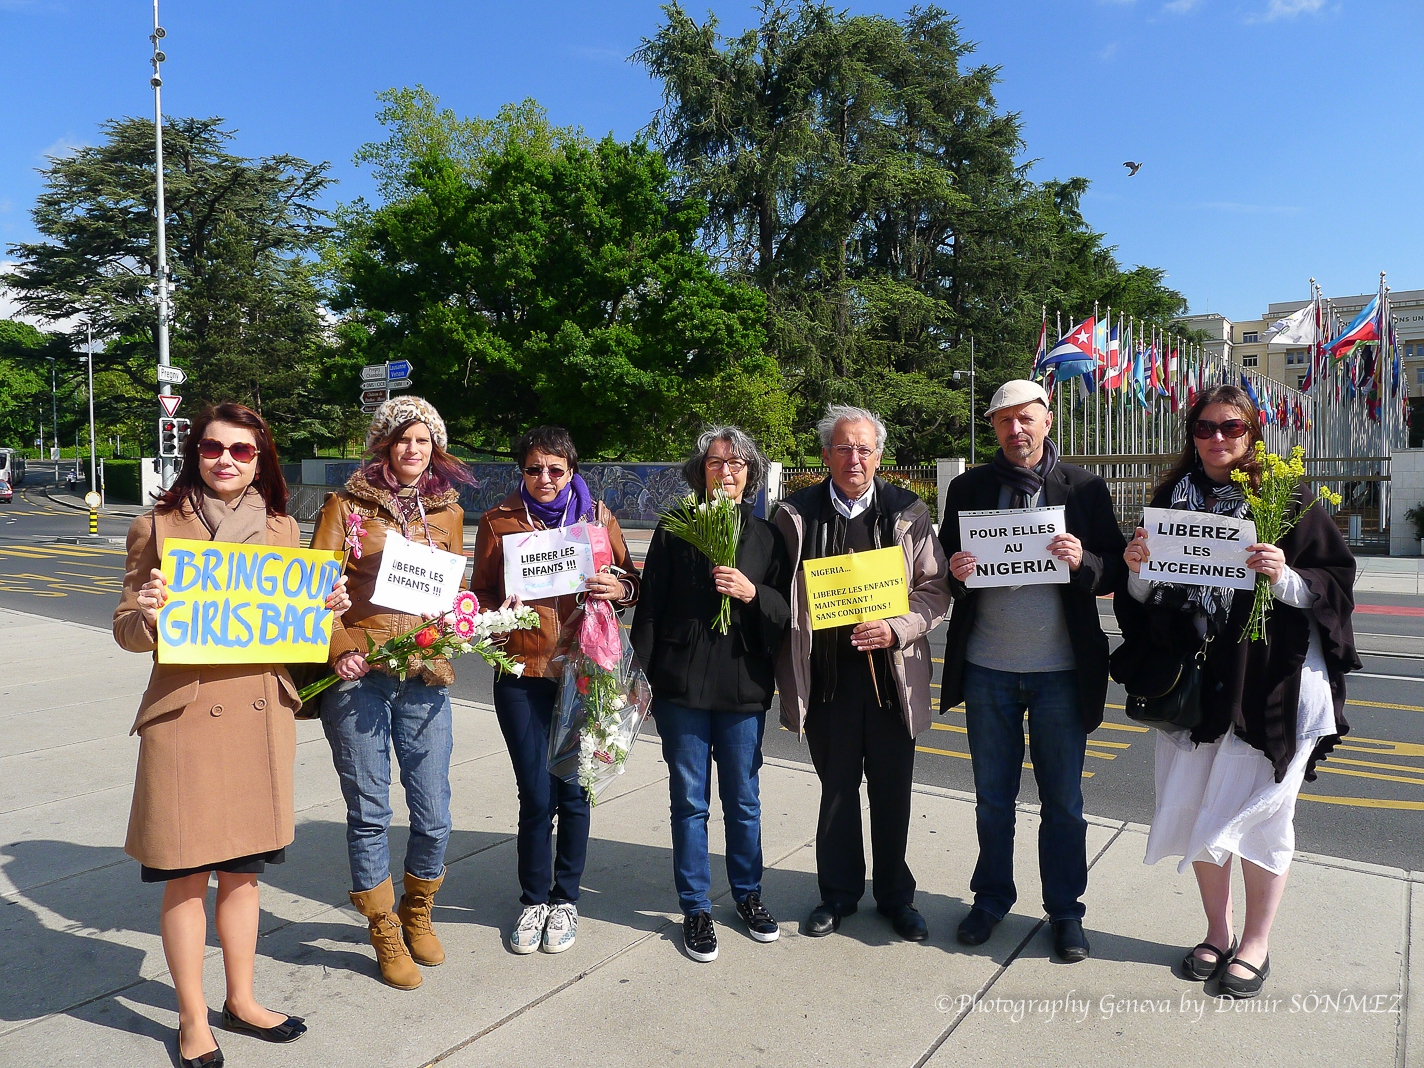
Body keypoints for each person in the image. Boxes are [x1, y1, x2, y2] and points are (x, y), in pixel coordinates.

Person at [114, 403, 350, 1067]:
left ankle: (241, 999)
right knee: (186, 876)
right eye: (214, 448)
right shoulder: (154, 525)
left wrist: (329, 612)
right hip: (185, 719)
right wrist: (150, 614)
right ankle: (193, 1019)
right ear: (195, 452)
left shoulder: (281, 527)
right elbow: (125, 631)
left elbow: (301, 631)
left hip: (255, 718)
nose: (226, 460)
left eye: (241, 451)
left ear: (260, 458)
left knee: (243, 874)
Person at [1114, 384, 1359, 999]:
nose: (1217, 439)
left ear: (1252, 433)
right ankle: (1216, 932)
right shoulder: (1171, 499)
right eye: (1204, 427)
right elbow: (1146, 602)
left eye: (1231, 427)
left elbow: (1334, 582)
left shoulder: (1286, 497)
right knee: (1196, 804)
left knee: (1262, 816)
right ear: (1189, 434)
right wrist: (1138, 571)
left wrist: (1285, 577)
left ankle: (1257, 942)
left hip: (1268, 680)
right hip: (1196, 687)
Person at [938, 379, 1125, 963]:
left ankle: (1065, 910)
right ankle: (991, 898)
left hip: (1061, 673)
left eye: (1026, 419)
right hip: (988, 668)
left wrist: (1083, 561)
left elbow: (1116, 568)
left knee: (1063, 802)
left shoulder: (1085, 488)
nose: (1015, 430)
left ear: (1048, 420)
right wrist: (958, 569)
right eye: (1003, 421)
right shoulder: (969, 487)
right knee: (992, 798)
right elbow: (945, 568)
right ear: (992, 427)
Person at [310, 397, 474, 991]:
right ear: (384, 444)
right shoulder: (346, 506)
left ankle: (418, 906)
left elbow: (454, 588)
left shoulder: (449, 511)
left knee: (434, 811)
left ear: (436, 448)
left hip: (424, 675)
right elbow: (316, 589)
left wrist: (460, 623)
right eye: (402, 439)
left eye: (423, 441)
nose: (413, 450)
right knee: (370, 810)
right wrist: (341, 645)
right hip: (360, 676)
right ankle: (382, 927)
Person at [773, 405, 950, 941]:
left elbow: (935, 590)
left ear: (879, 456)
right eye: (843, 448)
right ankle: (838, 894)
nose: (855, 458)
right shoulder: (794, 514)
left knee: (894, 794)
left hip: (891, 681)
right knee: (836, 793)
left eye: (865, 449)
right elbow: (776, 591)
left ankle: (897, 896)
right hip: (826, 679)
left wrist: (897, 627)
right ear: (825, 454)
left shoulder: (909, 513)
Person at [470, 426, 639, 955]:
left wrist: (620, 588)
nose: (544, 479)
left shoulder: (597, 519)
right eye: (533, 469)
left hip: (584, 674)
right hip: (522, 672)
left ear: (572, 471)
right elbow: (478, 595)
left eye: (555, 470)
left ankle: (566, 900)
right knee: (536, 794)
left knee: (575, 789)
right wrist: (493, 615)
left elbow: (632, 584)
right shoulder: (499, 522)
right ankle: (533, 900)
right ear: (520, 471)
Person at [631, 426, 792, 963]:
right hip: (681, 684)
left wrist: (752, 593)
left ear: (752, 475)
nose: (728, 472)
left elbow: (787, 614)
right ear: (700, 472)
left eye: (739, 464)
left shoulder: (769, 535)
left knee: (744, 801)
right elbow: (650, 606)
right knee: (689, 801)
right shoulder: (675, 528)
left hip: (743, 684)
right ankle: (696, 905)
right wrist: (642, 678)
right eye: (718, 463)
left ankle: (748, 894)